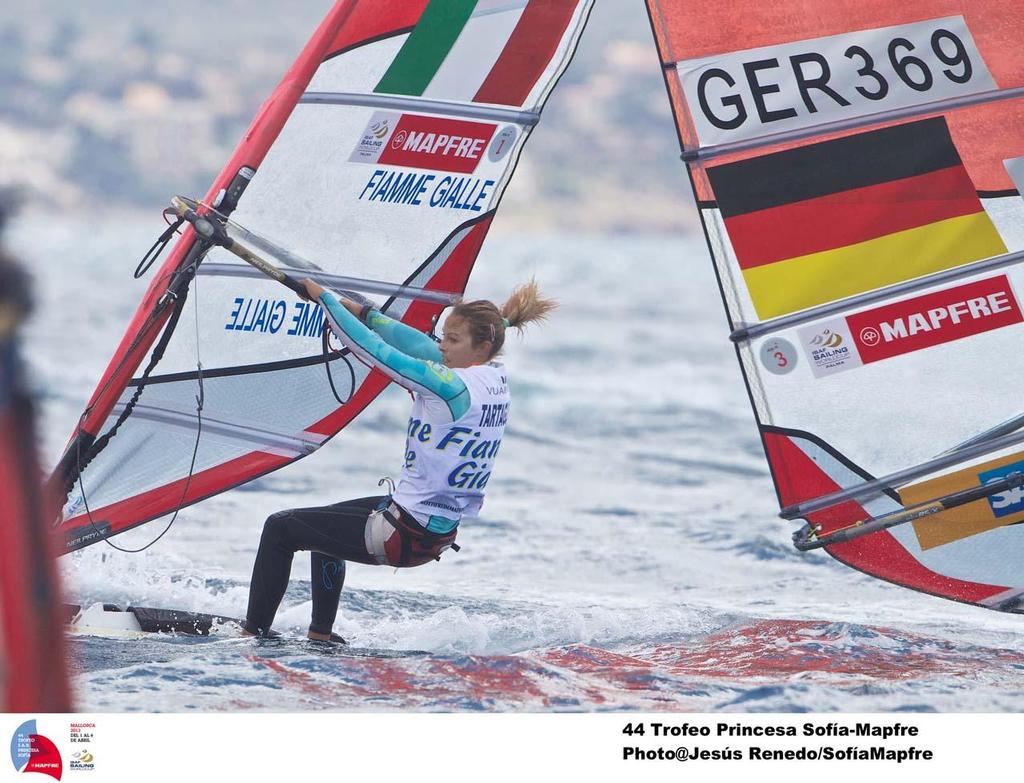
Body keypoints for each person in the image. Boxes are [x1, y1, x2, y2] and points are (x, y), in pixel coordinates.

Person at [241, 277, 557, 640]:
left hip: (403, 532)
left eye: (453, 341)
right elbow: (418, 344)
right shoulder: (492, 380)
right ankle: (321, 635)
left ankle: (254, 635)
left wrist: (324, 299)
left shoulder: (451, 386)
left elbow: (376, 352)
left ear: (483, 345)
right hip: (427, 526)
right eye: (444, 337)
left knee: (280, 528)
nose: (443, 348)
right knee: (320, 531)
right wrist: (363, 312)